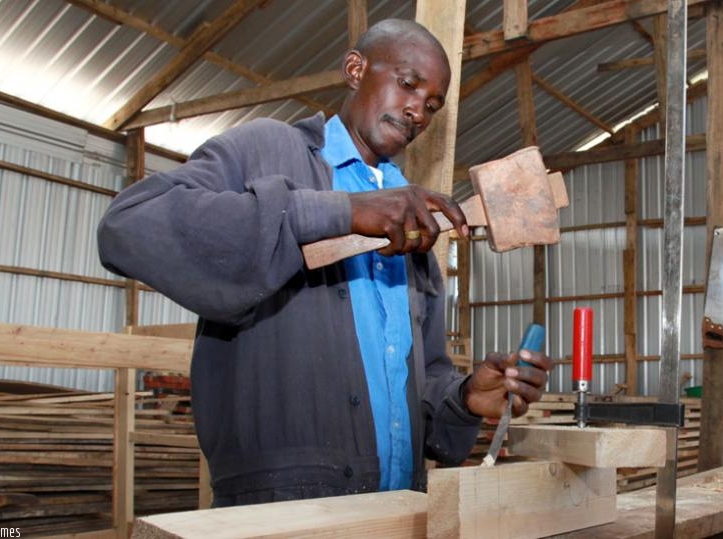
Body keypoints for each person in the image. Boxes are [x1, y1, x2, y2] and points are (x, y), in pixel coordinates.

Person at [98, 18, 552, 507]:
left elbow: (419, 389)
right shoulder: (267, 150)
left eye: (433, 105)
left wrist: (465, 400)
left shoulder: (414, 226)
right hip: (278, 511)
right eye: (408, 84)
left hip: (398, 506)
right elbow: (128, 226)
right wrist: (341, 211)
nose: (419, 110)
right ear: (355, 69)